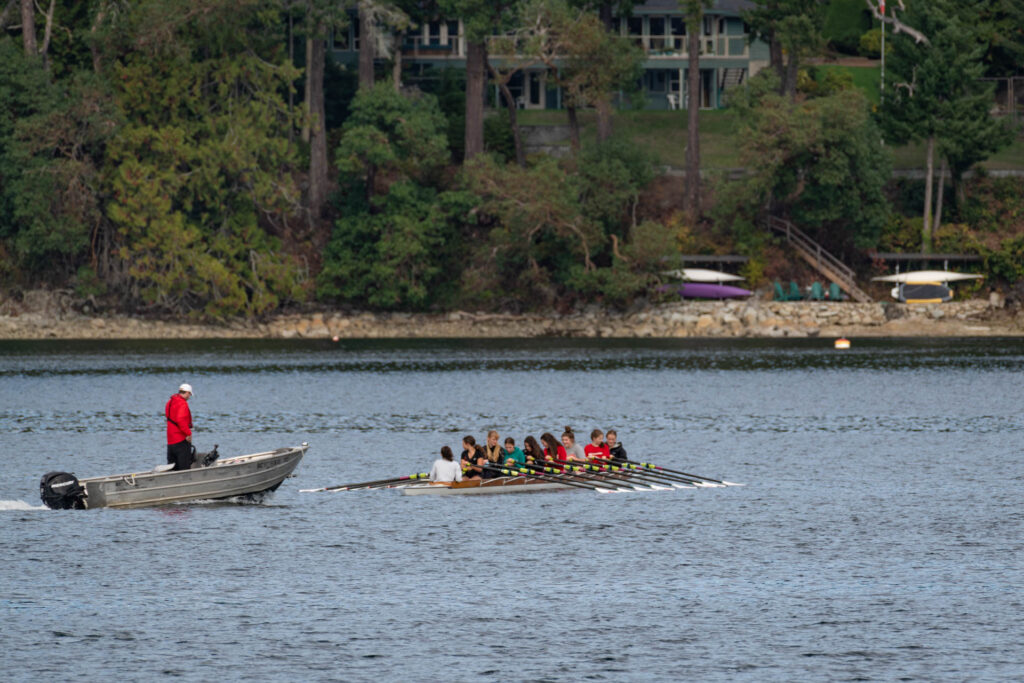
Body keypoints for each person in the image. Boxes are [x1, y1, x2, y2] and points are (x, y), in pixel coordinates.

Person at [165, 383, 194, 471]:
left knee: (172, 467)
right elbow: (180, 420)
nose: (189, 397)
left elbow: (168, 416)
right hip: (181, 440)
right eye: (190, 395)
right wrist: (188, 433)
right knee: (184, 468)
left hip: (170, 440)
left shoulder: (170, 402)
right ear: (188, 393)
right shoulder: (183, 404)